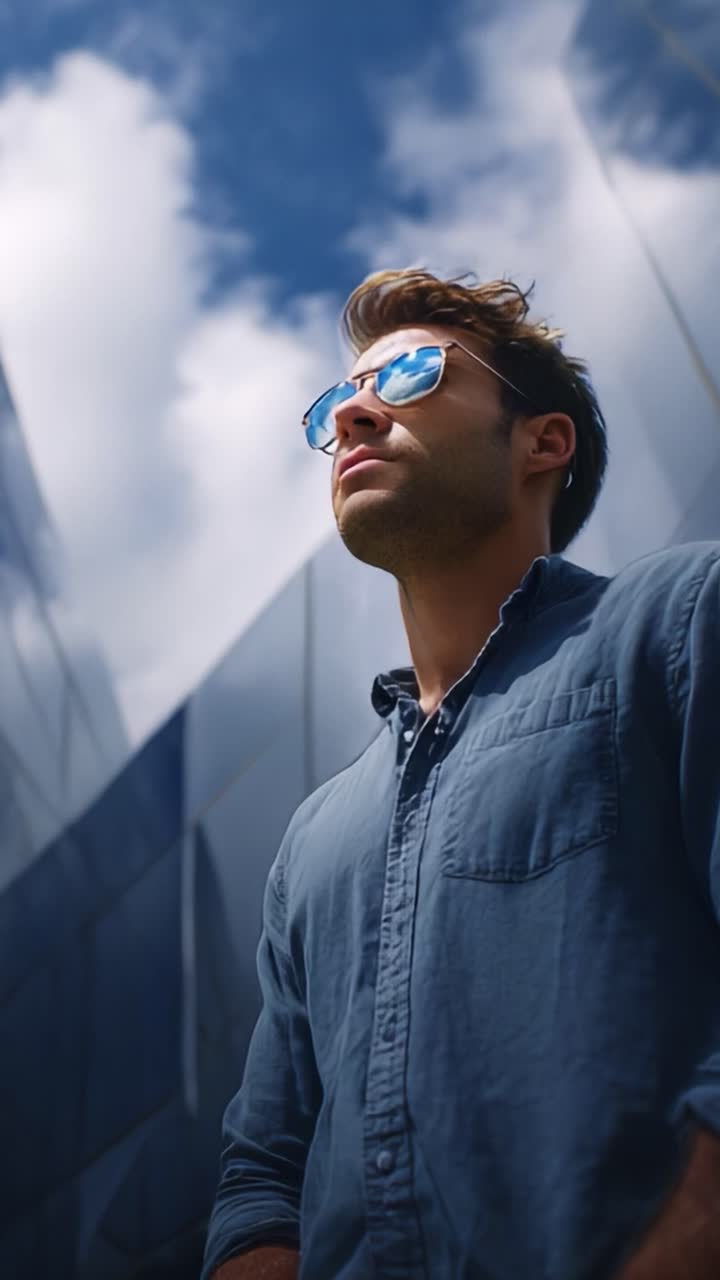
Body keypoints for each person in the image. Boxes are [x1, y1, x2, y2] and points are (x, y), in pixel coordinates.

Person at [201, 269, 720, 1280]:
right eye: (332, 403)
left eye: (408, 371)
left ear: (544, 441)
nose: (352, 409)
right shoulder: (313, 836)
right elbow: (262, 1173)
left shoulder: (677, 622)